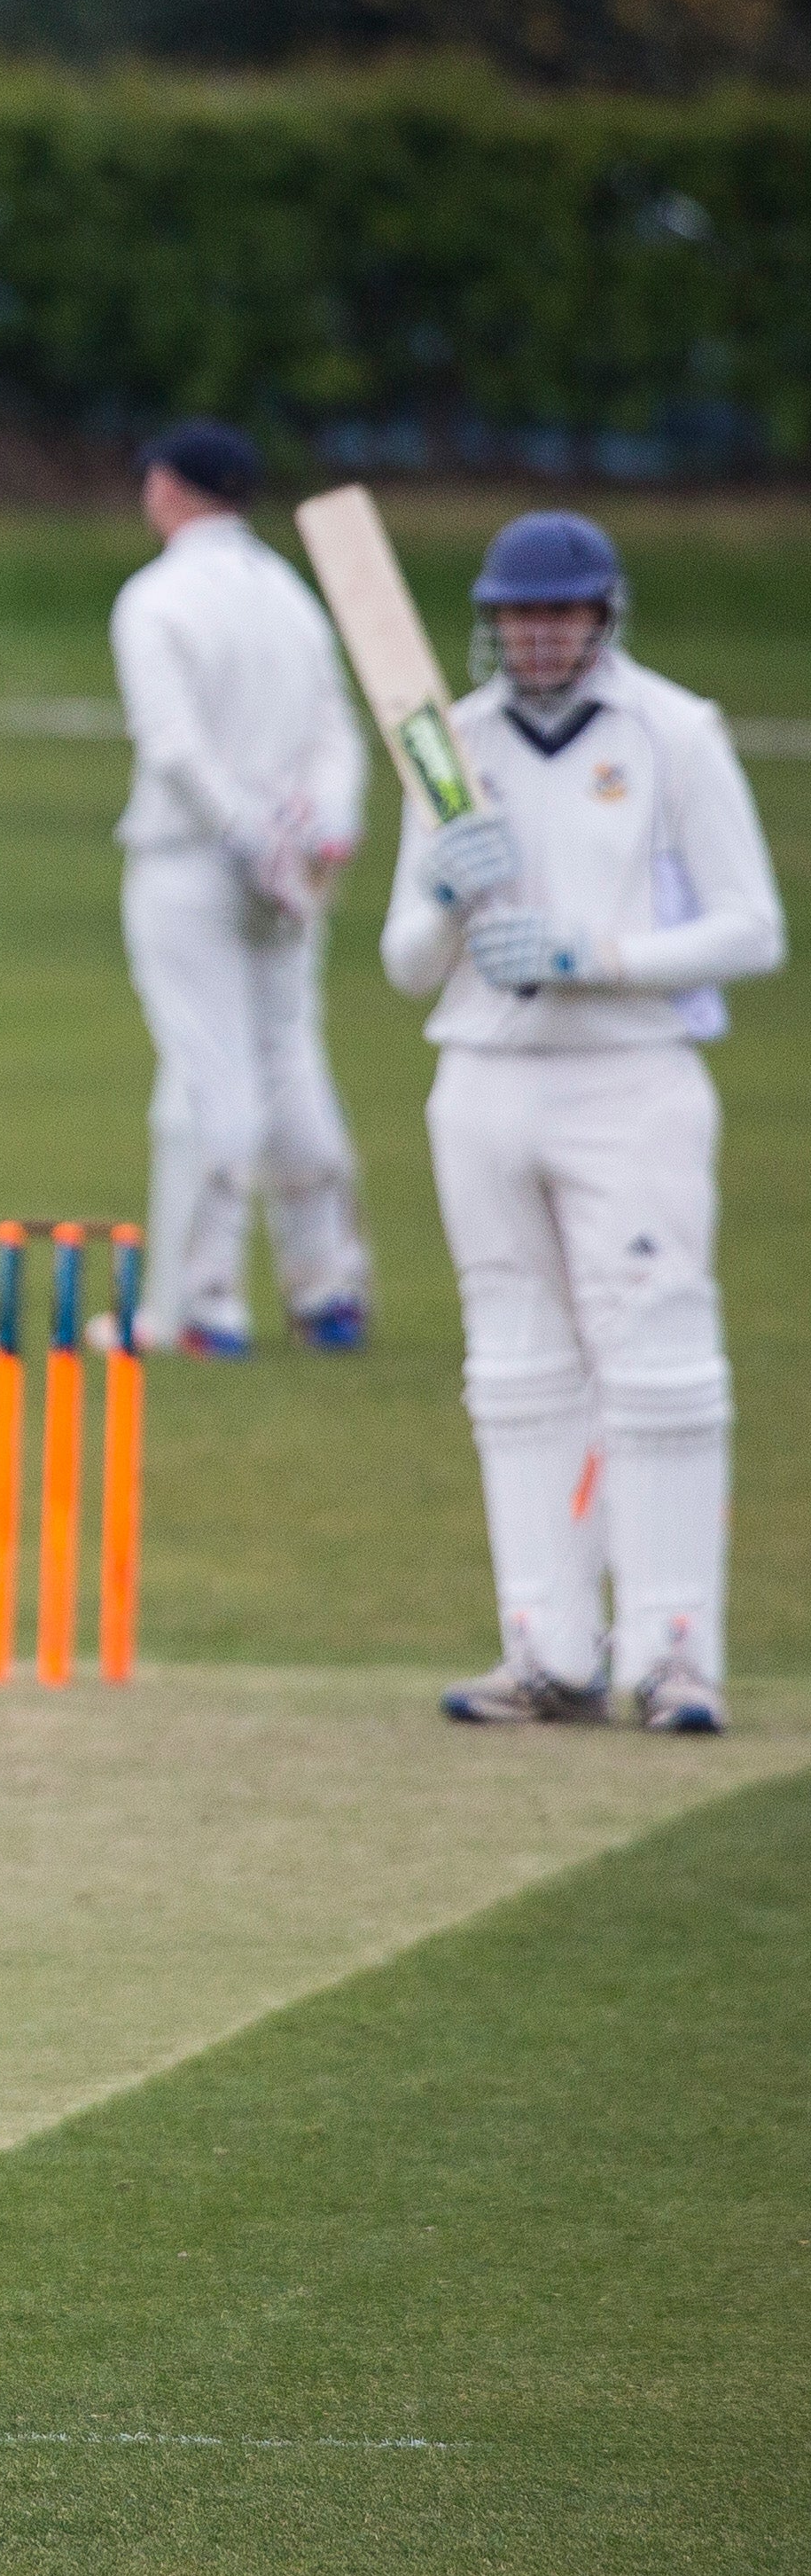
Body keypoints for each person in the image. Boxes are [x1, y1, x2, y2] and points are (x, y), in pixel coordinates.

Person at [380, 512, 784, 1731]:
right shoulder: (450, 743)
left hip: (631, 1076)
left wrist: (594, 953)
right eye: (516, 616)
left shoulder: (676, 732)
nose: (536, 637)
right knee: (515, 1368)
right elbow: (405, 963)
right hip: (486, 1079)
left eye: (557, 615)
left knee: (658, 1365)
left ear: (603, 617)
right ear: (490, 619)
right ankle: (547, 1649)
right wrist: (447, 898)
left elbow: (753, 928)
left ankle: (672, 1654)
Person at [107, 420, 376, 1358]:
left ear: (171, 490)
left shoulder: (155, 599)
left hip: (194, 862)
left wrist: (247, 837)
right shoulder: (290, 594)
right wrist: (321, 831)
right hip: (287, 865)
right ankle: (329, 1290)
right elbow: (338, 731)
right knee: (289, 1059)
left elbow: (175, 749)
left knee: (211, 1076)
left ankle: (201, 1307)